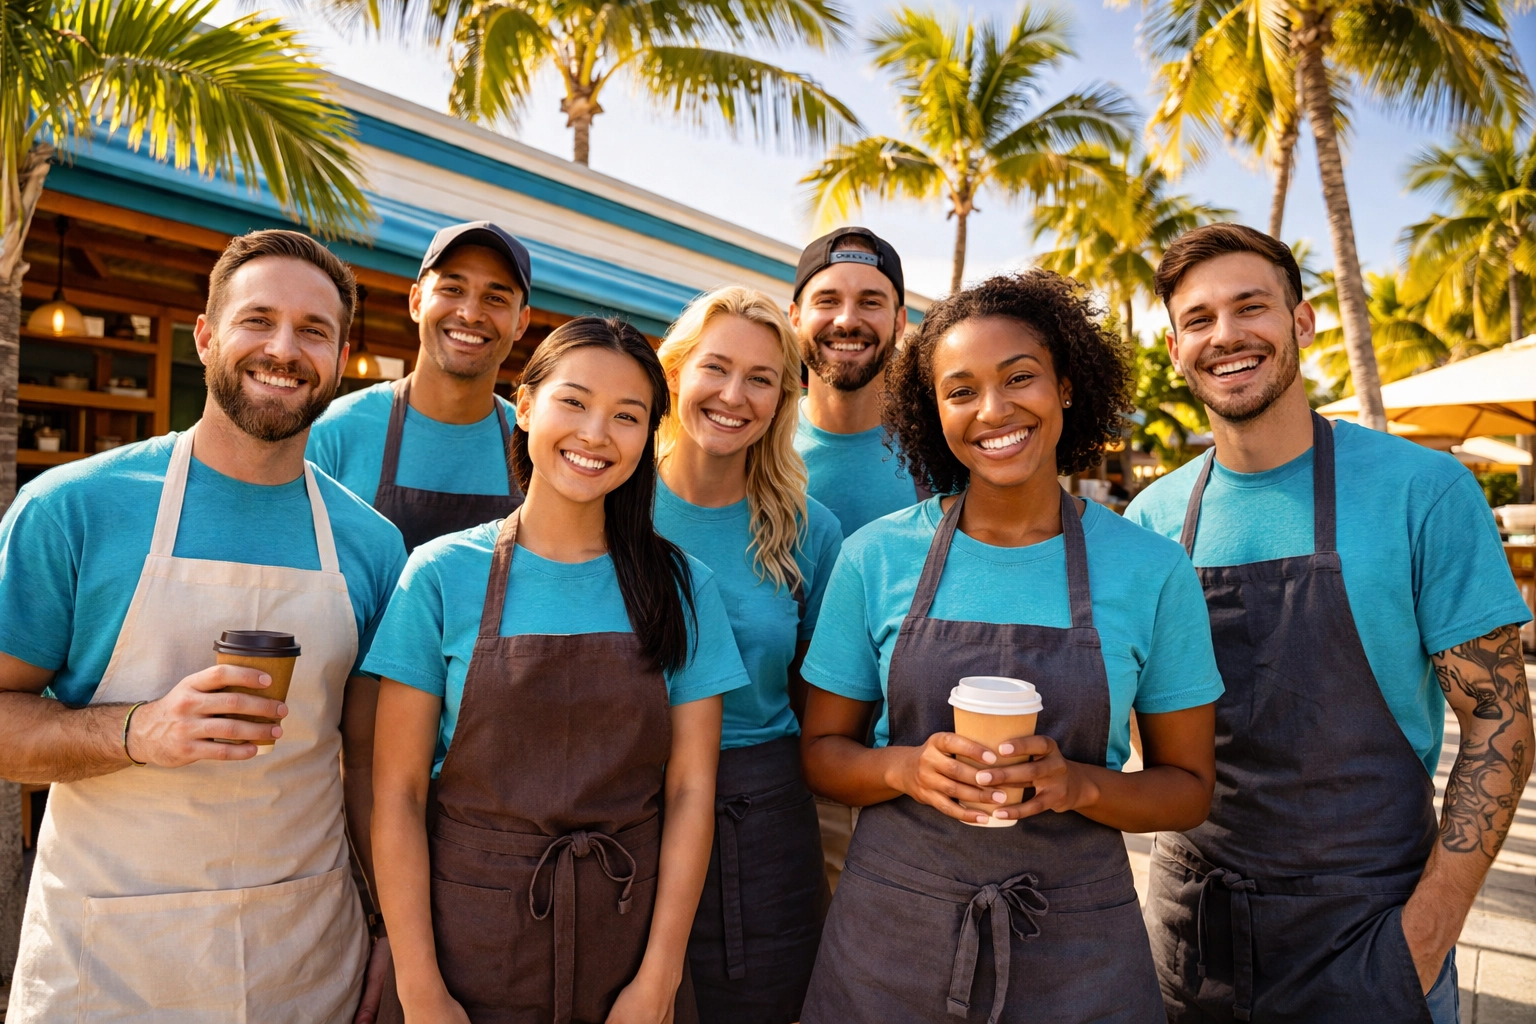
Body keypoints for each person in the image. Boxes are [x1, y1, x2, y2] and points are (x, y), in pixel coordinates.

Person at [1128, 223, 1534, 1024]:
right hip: (1192, 930)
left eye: (1252, 307)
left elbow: (1499, 721)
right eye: (1200, 319)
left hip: (1369, 934)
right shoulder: (1151, 517)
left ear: (1303, 322)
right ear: (1175, 348)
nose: (1227, 335)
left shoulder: (1423, 490)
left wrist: (1429, 931)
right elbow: (1146, 733)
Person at [0, 230, 407, 1023]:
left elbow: (368, 762)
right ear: (206, 335)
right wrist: (138, 731)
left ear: (340, 353)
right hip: (108, 966)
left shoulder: (371, 545)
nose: (284, 349)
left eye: (314, 330)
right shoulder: (74, 509)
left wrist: (392, 924)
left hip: (305, 959)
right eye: (258, 319)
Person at [798, 271, 1223, 1023]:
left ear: (1065, 386)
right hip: (891, 938)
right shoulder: (876, 557)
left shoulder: (1151, 570)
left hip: (1078, 947)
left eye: (1019, 378)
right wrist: (906, 767)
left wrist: (1079, 785)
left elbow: (1187, 787)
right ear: (934, 411)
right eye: (960, 390)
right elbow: (823, 753)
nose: (993, 411)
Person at [366, 317, 752, 1024]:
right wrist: (419, 987)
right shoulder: (442, 576)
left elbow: (694, 792)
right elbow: (397, 795)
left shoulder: (683, 587)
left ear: (649, 436)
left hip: (627, 944)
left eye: (627, 416)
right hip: (467, 946)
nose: (596, 434)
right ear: (526, 404)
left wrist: (658, 980)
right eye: (573, 402)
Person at [652, 287, 843, 1023]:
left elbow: (817, 698)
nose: (735, 395)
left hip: (763, 825)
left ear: (784, 396)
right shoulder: (610, 503)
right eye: (716, 368)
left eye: (761, 378)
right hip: (623, 805)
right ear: (676, 374)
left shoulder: (808, 530)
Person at [788, 225, 926, 889]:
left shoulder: (944, 459)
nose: (848, 319)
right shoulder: (751, 442)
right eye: (827, 300)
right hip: (762, 782)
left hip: (908, 788)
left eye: (872, 302)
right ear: (794, 317)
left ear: (900, 320)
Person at [308, 221, 533, 551]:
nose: (471, 314)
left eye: (495, 298)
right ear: (416, 302)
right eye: (452, 289)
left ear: (521, 323)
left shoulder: (533, 447)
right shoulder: (334, 434)